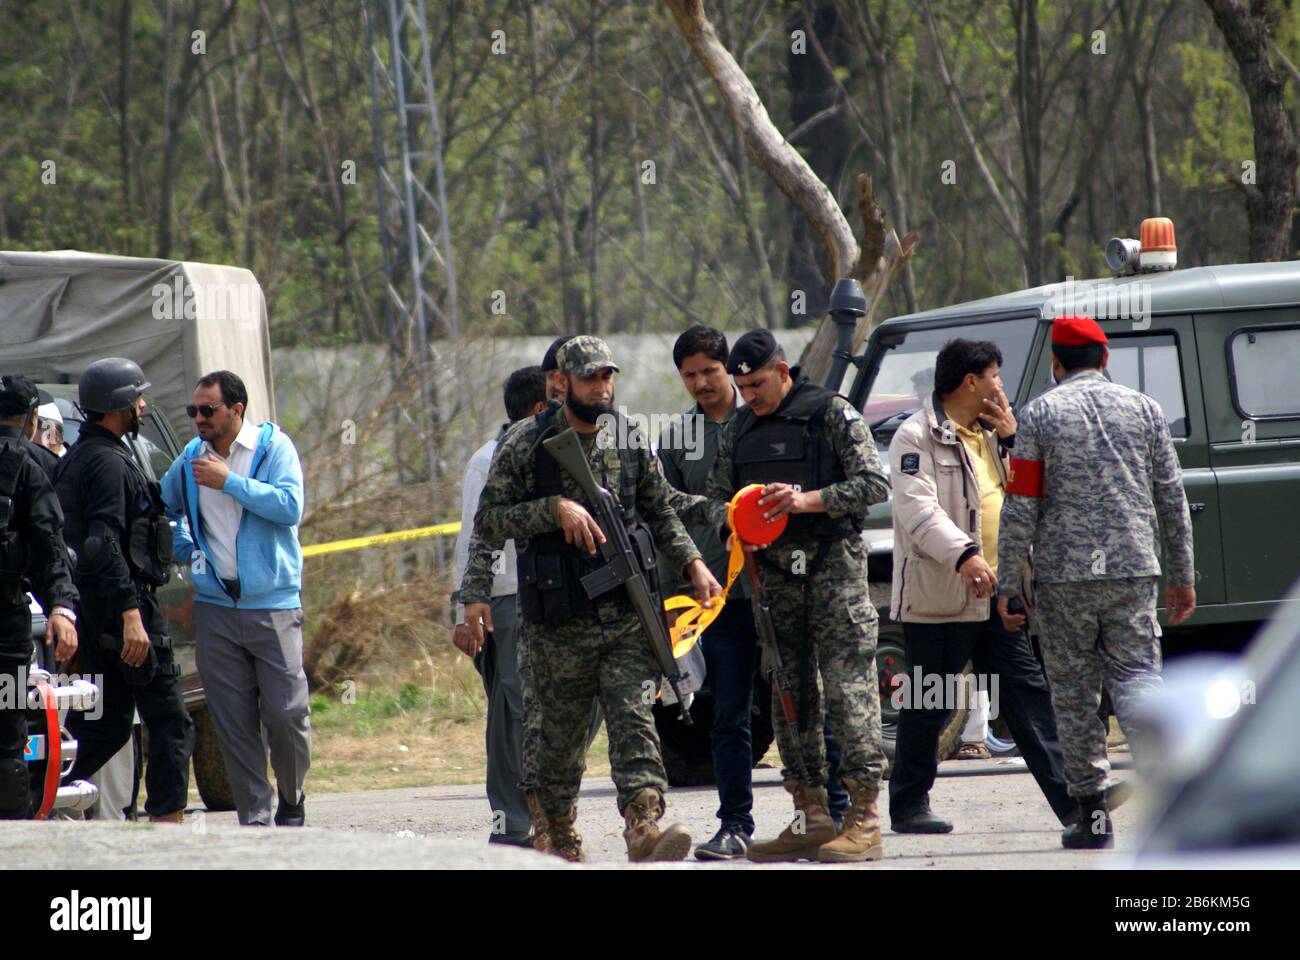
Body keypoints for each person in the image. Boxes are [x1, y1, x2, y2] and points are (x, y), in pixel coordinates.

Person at [475, 336, 722, 863]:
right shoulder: (524, 444)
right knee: (556, 747)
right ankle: (557, 837)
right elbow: (489, 521)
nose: (601, 387)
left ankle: (644, 826)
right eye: (590, 378)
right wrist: (553, 510)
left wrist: (693, 564)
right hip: (556, 626)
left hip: (626, 615)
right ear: (562, 383)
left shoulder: (629, 437)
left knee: (635, 720)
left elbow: (658, 511)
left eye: (608, 376)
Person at [998, 314, 1196, 849]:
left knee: (1074, 692)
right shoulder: (1146, 410)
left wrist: (1006, 585)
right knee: (1138, 679)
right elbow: (1171, 499)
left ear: (1055, 363)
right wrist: (1182, 575)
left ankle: (1092, 818)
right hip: (1133, 571)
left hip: (1065, 578)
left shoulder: (1038, 414)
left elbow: (1020, 505)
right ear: (1106, 360)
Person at [706, 329, 890, 863]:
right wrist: (733, 527)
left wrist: (804, 501)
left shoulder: (831, 414)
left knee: (847, 693)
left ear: (783, 371)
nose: (750, 396)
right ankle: (811, 814)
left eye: (758, 384)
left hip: (833, 577)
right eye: (742, 387)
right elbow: (720, 499)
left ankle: (864, 819)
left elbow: (874, 484)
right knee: (790, 699)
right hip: (773, 585)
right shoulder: (740, 429)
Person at [886, 338, 1077, 833]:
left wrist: (1015, 441)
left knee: (1029, 696)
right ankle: (908, 806)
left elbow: (1035, 494)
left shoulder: (994, 434)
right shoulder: (916, 437)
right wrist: (964, 556)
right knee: (932, 701)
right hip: (944, 594)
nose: (1001, 385)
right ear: (970, 381)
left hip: (998, 593)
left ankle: (1076, 805)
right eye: (994, 375)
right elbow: (917, 510)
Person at [160, 370, 309, 827]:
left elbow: (289, 507)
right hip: (216, 609)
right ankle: (256, 824)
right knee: (234, 723)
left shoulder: (273, 449)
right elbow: (165, 509)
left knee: (286, 717)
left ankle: (292, 792)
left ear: (237, 410)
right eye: (193, 411)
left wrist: (229, 482)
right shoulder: (190, 458)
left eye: (209, 410)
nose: (199, 419)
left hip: (274, 606)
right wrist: (186, 547)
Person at [55, 358, 194, 823]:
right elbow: (102, 542)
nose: (143, 404)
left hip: (97, 612)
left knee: (108, 723)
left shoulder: (79, 458)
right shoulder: (107, 464)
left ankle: (31, 793)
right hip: (125, 612)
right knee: (171, 722)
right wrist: (132, 614)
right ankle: (167, 831)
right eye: (137, 397)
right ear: (120, 406)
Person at [451, 365, 547, 846]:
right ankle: (511, 825)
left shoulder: (562, 454)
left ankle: (545, 815)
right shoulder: (487, 460)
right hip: (502, 607)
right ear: (537, 408)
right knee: (511, 716)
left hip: (553, 601)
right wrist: (465, 609)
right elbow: (472, 536)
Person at [0, 375, 79, 819]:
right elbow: (50, 546)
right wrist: (62, 608)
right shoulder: (33, 464)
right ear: (31, 420)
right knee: (7, 735)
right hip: (7, 626)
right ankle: (11, 842)